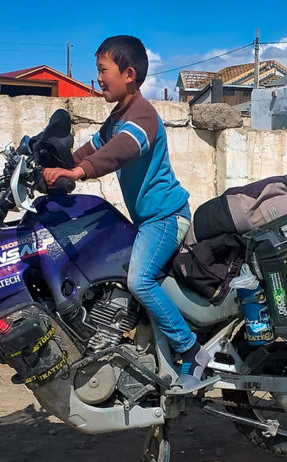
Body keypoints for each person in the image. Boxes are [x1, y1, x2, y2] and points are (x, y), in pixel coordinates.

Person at [43, 35, 207, 388]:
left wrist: (78, 173)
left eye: (103, 70)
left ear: (128, 74)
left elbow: (121, 151)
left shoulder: (142, 117)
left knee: (139, 279)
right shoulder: (117, 118)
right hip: (147, 221)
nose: (99, 78)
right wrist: (55, 166)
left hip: (165, 219)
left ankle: (191, 349)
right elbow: (91, 149)